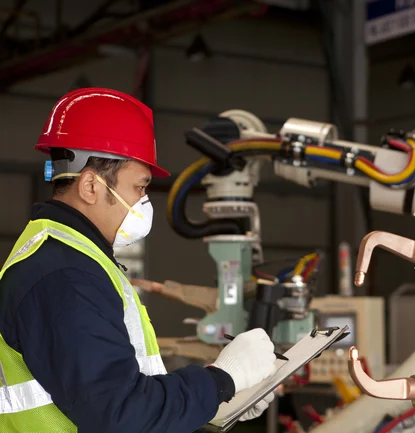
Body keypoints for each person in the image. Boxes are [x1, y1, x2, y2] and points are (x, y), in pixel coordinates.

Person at [0, 88, 277, 433]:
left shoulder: (69, 258)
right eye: (140, 187)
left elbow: (116, 399)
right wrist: (220, 381)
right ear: (90, 186)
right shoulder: (65, 276)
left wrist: (217, 405)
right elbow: (120, 414)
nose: (144, 202)